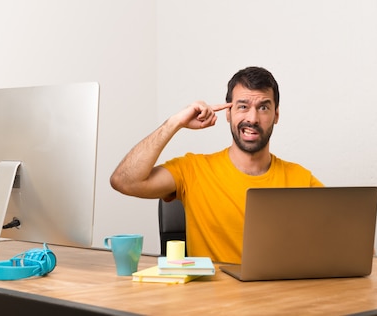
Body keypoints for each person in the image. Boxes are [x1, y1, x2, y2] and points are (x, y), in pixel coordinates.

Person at [110, 66, 323, 264]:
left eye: (263, 107)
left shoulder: (301, 179)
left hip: (277, 299)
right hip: (211, 301)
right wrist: (175, 122)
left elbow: (339, 237)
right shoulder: (193, 169)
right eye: (242, 106)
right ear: (228, 113)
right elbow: (124, 181)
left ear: (276, 115)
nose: (252, 118)